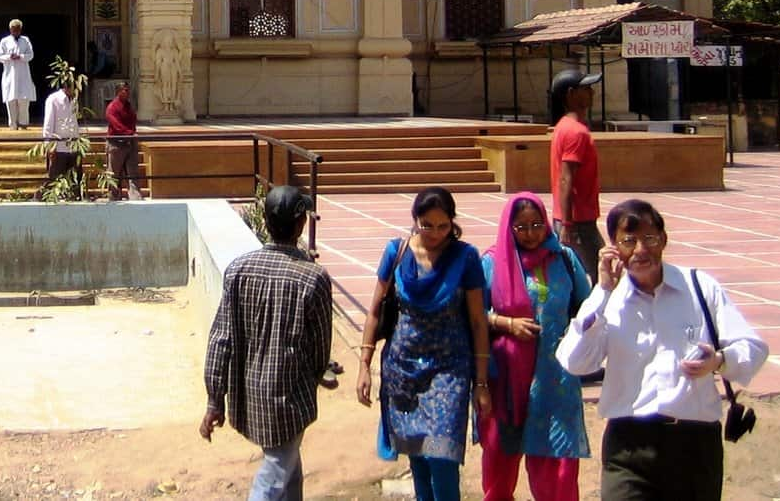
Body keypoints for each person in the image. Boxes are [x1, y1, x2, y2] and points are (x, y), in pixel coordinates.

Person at [556, 199, 768, 501]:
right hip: (628, 448)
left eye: (649, 238)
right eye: (629, 241)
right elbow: (574, 361)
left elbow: (753, 348)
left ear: (663, 240)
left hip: (694, 444)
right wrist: (601, 291)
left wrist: (719, 362)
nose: (641, 250)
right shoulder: (608, 301)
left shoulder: (699, 287)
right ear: (613, 247)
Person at [357, 186, 493, 501]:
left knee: (441, 454)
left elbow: (477, 320)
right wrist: (364, 365)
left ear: (452, 223)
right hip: (403, 371)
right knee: (417, 452)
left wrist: (482, 382)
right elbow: (376, 309)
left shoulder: (465, 258)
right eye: (427, 225)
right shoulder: (397, 252)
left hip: (449, 370)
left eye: (442, 226)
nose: (434, 233)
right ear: (416, 220)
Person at [201, 184, 333, 501]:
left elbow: (221, 339)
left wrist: (214, 399)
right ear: (301, 223)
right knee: (273, 475)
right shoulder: (312, 277)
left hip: (248, 395)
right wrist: (319, 375)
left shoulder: (238, 270)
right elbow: (319, 349)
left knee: (287, 467)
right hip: (288, 398)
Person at [481, 191, 591, 501]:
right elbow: (473, 315)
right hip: (507, 380)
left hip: (556, 379)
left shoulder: (564, 259)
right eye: (521, 227)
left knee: (558, 464)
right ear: (508, 228)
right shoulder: (492, 263)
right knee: (501, 459)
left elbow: (586, 304)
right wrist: (507, 324)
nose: (530, 234)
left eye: (537, 225)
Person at [549, 69, 604, 283]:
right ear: (571, 94)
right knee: (602, 274)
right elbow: (566, 178)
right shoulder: (576, 132)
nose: (592, 92)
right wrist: (568, 224)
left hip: (571, 217)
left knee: (577, 275)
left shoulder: (564, 126)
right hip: (577, 220)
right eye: (586, 88)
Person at [40, 76, 80, 193]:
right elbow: (48, 124)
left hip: (73, 147)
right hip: (59, 147)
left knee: (74, 179)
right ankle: (42, 196)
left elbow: (75, 122)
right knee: (54, 179)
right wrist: (50, 146)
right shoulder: (53, 99)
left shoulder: (73, 100)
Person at [0, 19, 36, 130]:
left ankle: (23, 124)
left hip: (23, 75)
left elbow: (31, 55)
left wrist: (21, 56)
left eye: (17, 30)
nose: (16, 32)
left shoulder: (25, 40)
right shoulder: (4, 41)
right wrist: (9, 57)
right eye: (14, 30)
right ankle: (13, 125)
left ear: (20, 30)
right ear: (10, 30)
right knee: (11, 99)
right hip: (10, 75)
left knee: (23, 100)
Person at [104, 81, 140, 200]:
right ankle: (114, 197)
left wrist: (133, 134)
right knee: (114, 173)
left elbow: (133, 119)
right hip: (116, 144)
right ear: (118, 92)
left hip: (130, 143)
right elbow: (116, 125)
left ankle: (135, 197)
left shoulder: (129, 106)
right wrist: (130, 133)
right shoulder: (112, 107)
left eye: (128, 90)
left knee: (133, 173)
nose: (127, 92)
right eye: (124, 90)